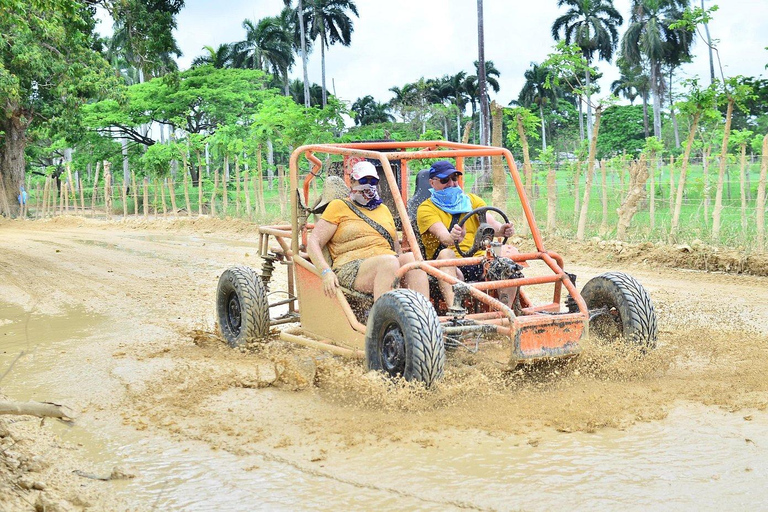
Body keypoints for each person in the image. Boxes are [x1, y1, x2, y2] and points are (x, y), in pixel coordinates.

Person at [307, 161, 429, 301]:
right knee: (388, 262)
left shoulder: (383, 209)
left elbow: (396, 249)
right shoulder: (339, 206)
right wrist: (326, 272)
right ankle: (384, 319)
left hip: (388, 261)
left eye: (373, 181)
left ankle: (424, 313)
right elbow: (314, 242)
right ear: (352, 182)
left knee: (412, 260)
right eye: (364, 180)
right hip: (352, 265)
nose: (369, 185)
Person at [416, 160, 515, 306]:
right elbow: (444, 237)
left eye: (454, 178)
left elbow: (492, 225)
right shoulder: (426, 209)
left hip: (481, 258)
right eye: (445, 180)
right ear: (432, 183)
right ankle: (455, 312)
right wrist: (453, 237)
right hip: (450, 264)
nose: (451, 183)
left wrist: (502, 230)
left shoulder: (472, 200)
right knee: (446, 255)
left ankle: (505, 312)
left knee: (507, 253)